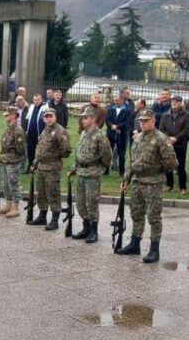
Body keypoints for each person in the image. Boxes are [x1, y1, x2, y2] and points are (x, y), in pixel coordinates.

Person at [117, 109, 178, 263]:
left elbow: (171, 163)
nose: (142, 123)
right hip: (137, 182)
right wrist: (126, 180)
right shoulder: (137, 138)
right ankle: (135, 243)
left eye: (146, 120)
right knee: (136, 213)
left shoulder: (161, 139)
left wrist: (157, 169)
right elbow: (132, 161)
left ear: (153, 121)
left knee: (153, 216)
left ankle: (154, 249)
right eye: (141, 121)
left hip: (153, 183)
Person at [68, 106, 112, 243]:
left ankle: (94, 231)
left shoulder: (100, 135)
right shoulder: (83, 133)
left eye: (85, 118)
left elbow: (107, 156)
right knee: (81, 202)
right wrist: (74, 168)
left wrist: (99, 169)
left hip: (92, 174)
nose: (83, 120)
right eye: (82, 118)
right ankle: (85, 228)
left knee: (92, 203)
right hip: (81, 172)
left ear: (93, 118)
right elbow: (78, 154)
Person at [30, 109, 71, 230]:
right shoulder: (45, 130)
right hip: (41, 167)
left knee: (53, 193)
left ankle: (54, 219)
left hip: (52, 167)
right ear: (43, 119)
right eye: (46, 117)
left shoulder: (60, 131)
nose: (48, 118)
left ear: (55, 117)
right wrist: (35, 163)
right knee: (41, 193)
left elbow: (66, 151)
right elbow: (40, 149)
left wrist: (53, 155)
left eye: (50, 116)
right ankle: (42, 216)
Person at [0, 107, 26, 219]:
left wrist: (13, 158)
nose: (5, 116)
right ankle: (8, 205)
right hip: (5, 160)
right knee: (5, 184)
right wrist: (0, 158)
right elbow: (4, 146)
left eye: (8, 115)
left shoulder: (18, 130)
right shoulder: (8, 128)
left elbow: (21, 150)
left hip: (13, 161)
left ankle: (15, 207)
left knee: (13, 183)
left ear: (14, 115)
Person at [158, 94, 189, 193]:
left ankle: (182, 187)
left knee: (180, 166)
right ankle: (169, 185)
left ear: (180, 103)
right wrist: (169, 138)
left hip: (180, 144)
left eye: (176, 101)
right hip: (167, 144)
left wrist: (176, 138)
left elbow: (186, 130)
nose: (174, 103)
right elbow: (161, 129)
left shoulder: (186, 114)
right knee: (168, 165)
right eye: (172, 101)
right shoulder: (165, 114)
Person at [105, 94, 131, 177]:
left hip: (122, 134)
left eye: (118, 101)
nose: (116, 102)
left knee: (121, 154)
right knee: (108, 152)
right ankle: (106, 170)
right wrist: (112, 126)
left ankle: (122, 172)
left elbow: (127, 122)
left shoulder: (127, 110)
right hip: (110, 133)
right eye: (115, 100)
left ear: (122, 101)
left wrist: (118, 126)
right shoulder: (110, 109)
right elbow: (107, 120)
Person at [22, 93, 48, 173]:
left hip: (40, 133)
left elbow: (45, 121)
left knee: (41, 152)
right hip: (30, 133)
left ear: (41, 100)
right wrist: (25, 130)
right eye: (34, 100)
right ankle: (30, 166)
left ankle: (39, 167)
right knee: (30, 151)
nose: (36, 101)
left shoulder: (45, 108)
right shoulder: (31, 107)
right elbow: (27, 118)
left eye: (38, 99)